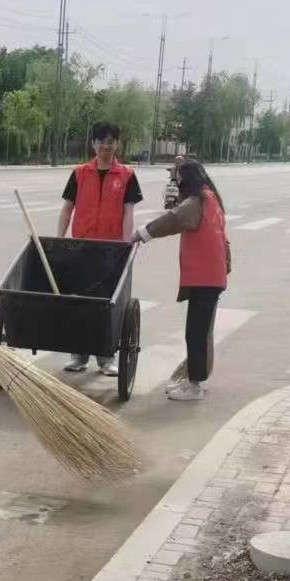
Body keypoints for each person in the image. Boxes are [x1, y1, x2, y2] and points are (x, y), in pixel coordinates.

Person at [130, 159, 229, 402]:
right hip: (211, 276)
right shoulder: (211, 198)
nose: (176, 183)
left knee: (195, 332)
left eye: (178, 179)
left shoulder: (197, 202)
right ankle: (194, 379)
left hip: (205, 277)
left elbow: (174, 219)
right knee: (200, 331)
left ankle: (195, 386)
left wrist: (142, 233)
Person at [57, 122, 142, 374]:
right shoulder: (79, 173)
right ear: (93, 144)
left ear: (117, 144)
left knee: (106, 303)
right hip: (81, 249)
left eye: (111, 141)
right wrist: (59, 240)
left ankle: (106, 358)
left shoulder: (126, 175)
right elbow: (67, 209)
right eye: (101, 141)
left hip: (110, 251)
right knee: (80, 301)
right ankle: (78, 356)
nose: (106, 146)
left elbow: (128, 213)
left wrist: (125, 246)